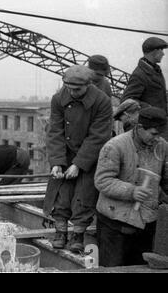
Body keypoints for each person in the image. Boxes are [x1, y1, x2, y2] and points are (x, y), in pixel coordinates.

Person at [43, 65, 113, 253]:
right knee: (61, 192)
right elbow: (55, 131)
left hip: (90, 154)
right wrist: (57, 161)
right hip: (65, 152)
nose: (72, 92)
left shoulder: (102, 101)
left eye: (77, 89)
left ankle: (78, 235)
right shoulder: (58, 98)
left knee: (85, 194)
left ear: (88, 85)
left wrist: (79, 164)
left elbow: (98, 136)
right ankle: (60, 232)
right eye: (69, 88)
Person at [94, 107, 168, 267]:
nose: (157, 138)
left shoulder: (162, 146)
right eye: (154, 134)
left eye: (160, 134)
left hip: (146, 225)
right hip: (115, 225)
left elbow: (166, 180)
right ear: (140, 128)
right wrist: (132, 191)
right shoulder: (115, 146)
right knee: (113, 269)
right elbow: (102, 180)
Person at [121, 37, 168, 137]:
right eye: (161, 50)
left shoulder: (154, 70)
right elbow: (127, 99)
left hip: (159, 124)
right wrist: (150, 109)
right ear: (155, 51)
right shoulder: (140, 74)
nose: (163, 54)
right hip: (150, 126)